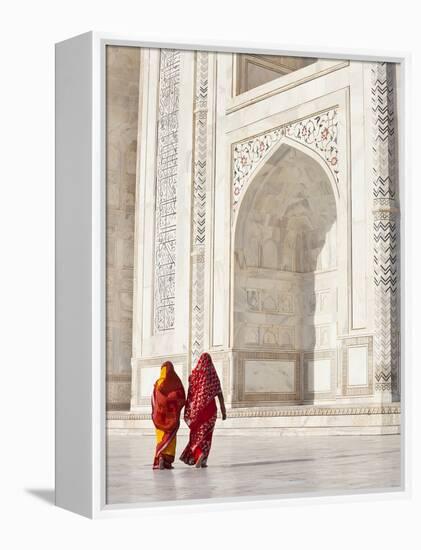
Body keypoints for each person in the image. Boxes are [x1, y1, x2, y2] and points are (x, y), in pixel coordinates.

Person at [180, 352, 226, 468]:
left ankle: (199, 453)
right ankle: (204, 459)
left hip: (197, 412)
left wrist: (190, 410)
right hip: (211, 410)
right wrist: (223, 409)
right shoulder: (213, 376)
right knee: (207, 435)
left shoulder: (195, 375)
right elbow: (219, 393)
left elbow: (190, 394)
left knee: (196, 435)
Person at [151, 361, 186, 470]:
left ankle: (160, 457)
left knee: (161, 438)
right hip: (172, 419)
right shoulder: (177, 384)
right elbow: (182, 398)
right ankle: (167, 462)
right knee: (171, 440)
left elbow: (153, 400)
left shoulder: (157, 384)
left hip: (159, 419)